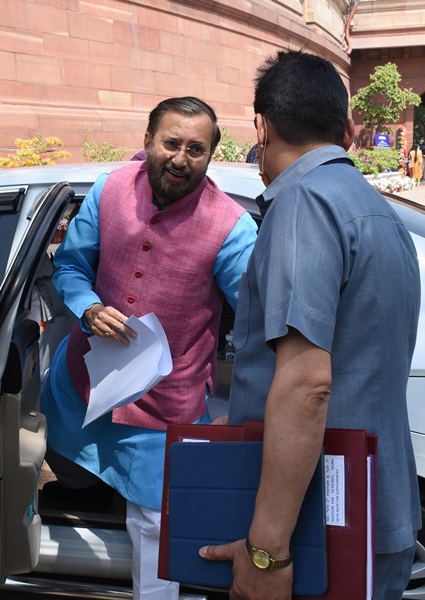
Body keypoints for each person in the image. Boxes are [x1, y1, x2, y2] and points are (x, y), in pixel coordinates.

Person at [199, 50, 421, 600]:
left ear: (262, 127)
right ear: (348, 129)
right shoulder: (376, 210)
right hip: (371, 508)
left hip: (321, 527)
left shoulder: (301, 204)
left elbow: (307, 384)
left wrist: (265, 554)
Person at [41, 96, 258, 600]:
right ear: (147, 141)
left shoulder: (230, 228)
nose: (181, 159)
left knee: (156, 538)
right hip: (84, 387)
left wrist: (246, 407)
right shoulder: (110, 188)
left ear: (211, 157)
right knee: (68, 471)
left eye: (196, 150)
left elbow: (259, 322)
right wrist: (89, 308)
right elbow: (71, 266)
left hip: (164, 410)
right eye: (171, 143)